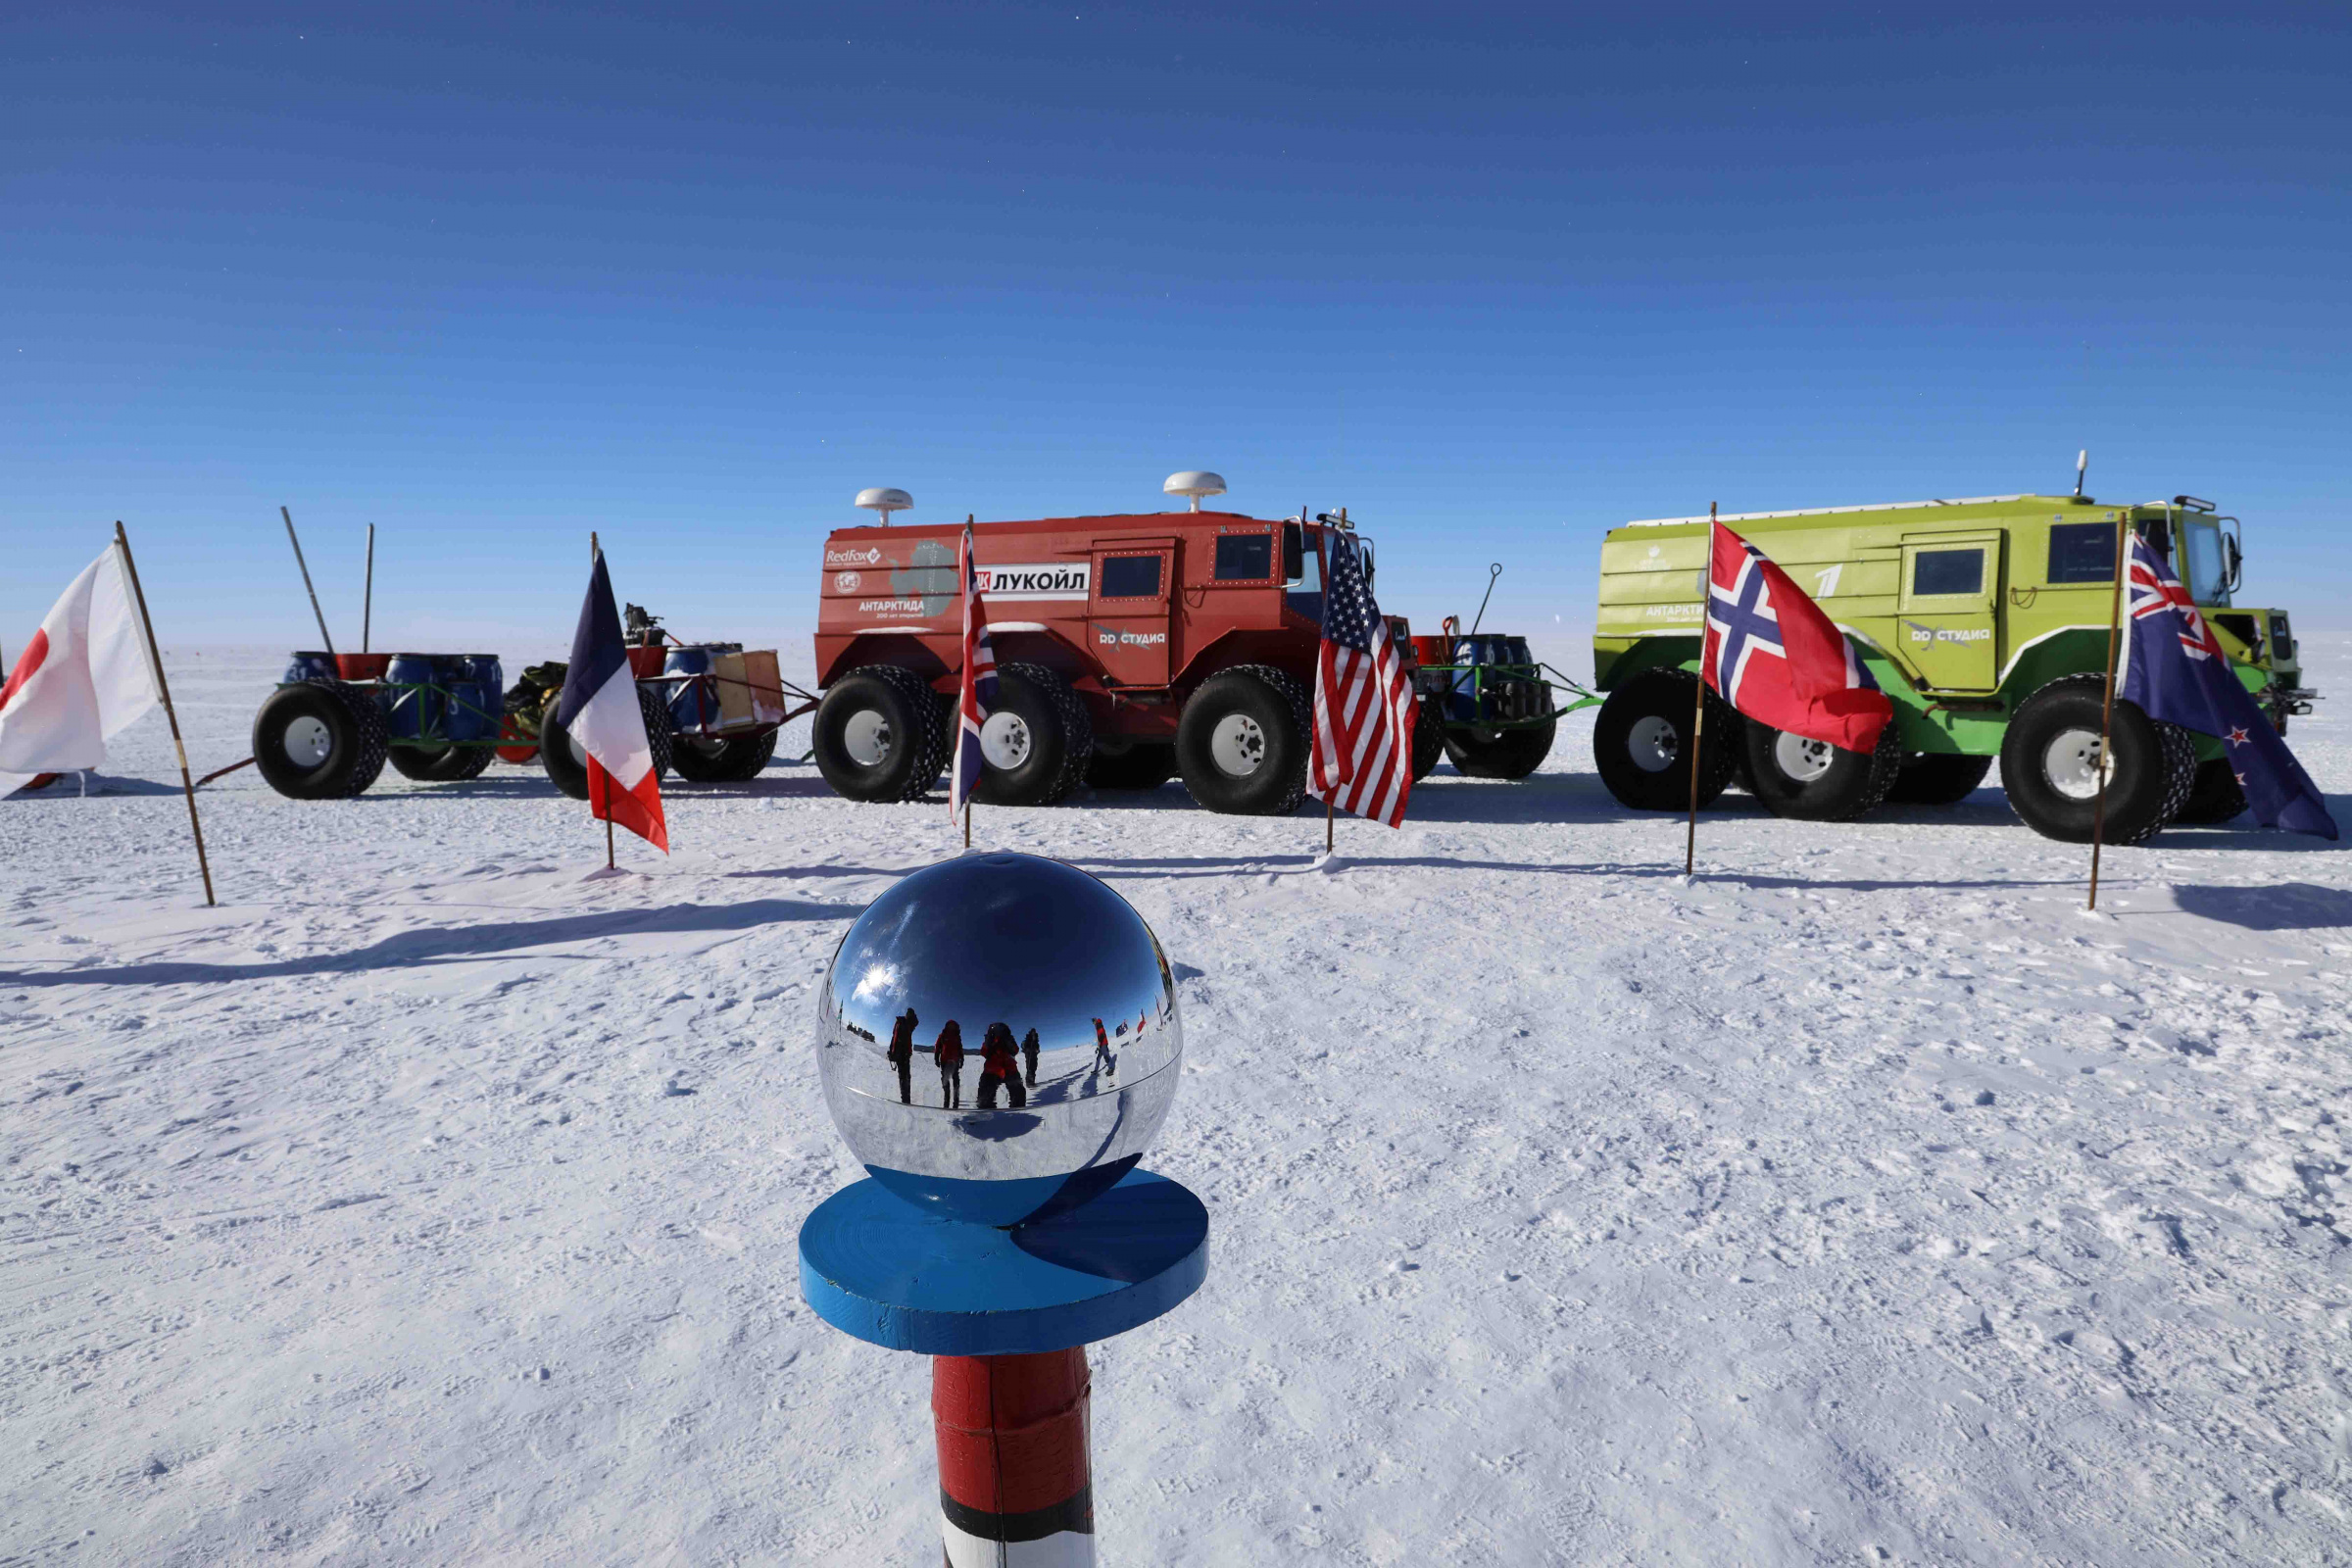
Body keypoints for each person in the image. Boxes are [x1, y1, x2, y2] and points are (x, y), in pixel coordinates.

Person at [977, 1022, 1027, 1109]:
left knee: (1018, 1093)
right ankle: (984, 1111)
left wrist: (1008, 1040)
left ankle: (1018, 1112)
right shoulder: (990, 1039)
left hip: (1010, 1068)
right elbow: (984, 1052)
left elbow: (1015, 1050)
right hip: (992, 1069)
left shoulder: (1009, 1038)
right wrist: (988, 1040)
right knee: (985, 1094)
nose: (999, 1032)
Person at [886, 1007, 917, 1104]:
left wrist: (913, 1014)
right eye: (907, 1013)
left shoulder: (910, 1024)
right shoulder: (898, 1022)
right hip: (898, 1053)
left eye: (910, 1014)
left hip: (905, 1053)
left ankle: (906, 1100)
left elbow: (915, 1022)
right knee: (902, 1076)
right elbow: (894, 1037)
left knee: (906, 1077)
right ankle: (904, 1099)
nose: (908, 1014)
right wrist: (891, 1050)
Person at [933, 1019, 964, 1108]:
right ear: (947, 1026)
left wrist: (962, 1059)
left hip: (955, 1061)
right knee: (945, 1080)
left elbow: (960, 1049)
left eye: (953, 1026)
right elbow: (937, 1047)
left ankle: (956, 1101)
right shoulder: (942, 1035)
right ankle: (946, 1101)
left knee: (955, 1081)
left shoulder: (957, 1037)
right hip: (944, 1061)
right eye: (950, 1026)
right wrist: (936, 1057)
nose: (952, 1027)